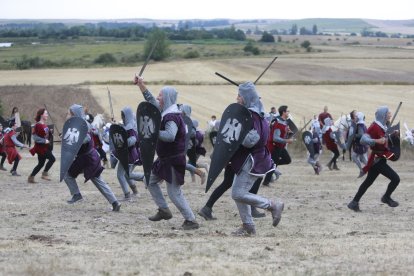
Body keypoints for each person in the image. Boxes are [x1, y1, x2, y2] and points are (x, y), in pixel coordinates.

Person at [134, 76, 199, 230]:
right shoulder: (165, 111)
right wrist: (141, 85)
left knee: (174, 193)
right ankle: (164, 210)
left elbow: (170, 136)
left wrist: (152, 132)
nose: (158, 97)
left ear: (168, 98)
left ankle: (191, 220)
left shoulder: (172, 117)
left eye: (161, 95)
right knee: (149, 181)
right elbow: (151, 101)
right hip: (164, 159)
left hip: (173, 160)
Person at [229, 82, 284, 236]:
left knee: (238, 193)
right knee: (239, 192)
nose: (237, 98)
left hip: (252, 160)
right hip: (249, 159)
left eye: (239, 95)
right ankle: (248, 226)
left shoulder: (252, 116)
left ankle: (272, 205)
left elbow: (251, 140)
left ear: (245, 97)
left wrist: (236, 132)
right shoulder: (256, 114)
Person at [63, 104, 121, 212]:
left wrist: (76, 141)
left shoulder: (83, 124)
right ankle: (76, 195)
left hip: (88, 158)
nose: (67, 115)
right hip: (83, 158)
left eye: (69, 113)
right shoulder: (78, 124)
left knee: (97, 180)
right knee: (68, 174)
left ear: (74, 114)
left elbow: (86, 138)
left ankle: (115, 202)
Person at [348, 106, 400, 212]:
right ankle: (386, 197)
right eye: (388, 113)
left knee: (368, 182)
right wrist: (376, 141)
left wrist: (393, 135)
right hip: (377, 160)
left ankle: (354, 202)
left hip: (380, 159)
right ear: (383, 115)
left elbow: (386, 139)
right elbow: (363, 139)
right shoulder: (374, 126)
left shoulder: (384, 126)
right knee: (395, 179)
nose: (390, 114)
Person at [115, 107, 145, 200]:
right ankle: (135, 191)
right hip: (127, 154)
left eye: (123, 115)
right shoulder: (130, 125)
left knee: (121, 175)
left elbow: (133, 139)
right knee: (127, 174)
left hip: (129, 154)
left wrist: (123, 143)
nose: (122, 117)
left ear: (127, 116)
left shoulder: (131, 127)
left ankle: (128, 195)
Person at [262, 105, 293, 186]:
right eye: (287, 111)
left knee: (287, 160)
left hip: (281, 146)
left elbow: (282, 133)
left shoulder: (284, 122)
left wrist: (288, 132)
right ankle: (266, 182)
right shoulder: (278, 123)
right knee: (274, 163)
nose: (288, 112)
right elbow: (275, 138)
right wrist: (287, 140)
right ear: (283, 112)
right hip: (275, 146)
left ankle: (269, 166)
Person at [28, 108, 56, 183]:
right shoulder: (37, 125)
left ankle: (31, 177)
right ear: (41, 115)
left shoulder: (44, 125)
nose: (47, 115)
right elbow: (35, 137)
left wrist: (50, 133)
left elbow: (46, 134)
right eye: (46, 113)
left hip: (45, 147)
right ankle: (44, 173)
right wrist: (44, 140)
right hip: (41, 148)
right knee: (52, 159)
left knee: (40, 164)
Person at [351, 112, 369, 177]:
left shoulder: (360, 125)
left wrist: (353, 135)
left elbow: (360, 135)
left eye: (356, 117)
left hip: (360, 145)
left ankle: (362, 170)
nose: (355, 118)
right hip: (362, 144)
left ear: (359, 117)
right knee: (362, 159)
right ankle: (370, 169)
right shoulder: (363, 125)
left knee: (354, 156)